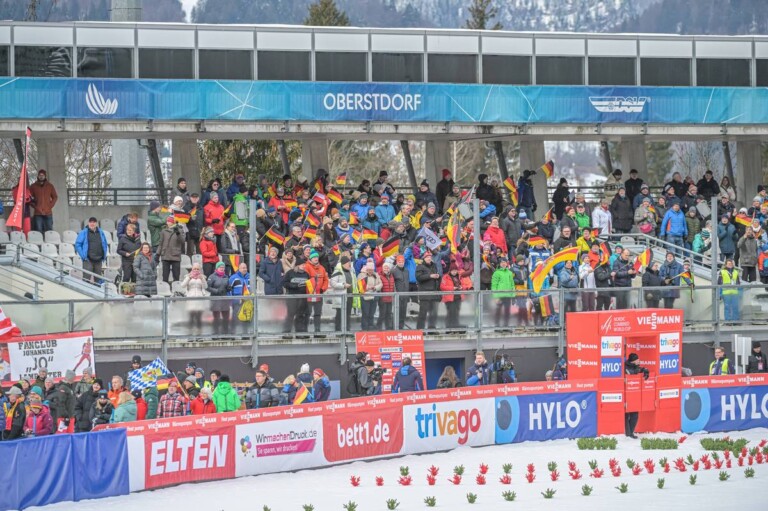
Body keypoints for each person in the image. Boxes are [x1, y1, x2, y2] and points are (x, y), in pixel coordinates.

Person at [75, 217, 109, 283]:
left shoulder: (101, 232)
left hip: (98, 259)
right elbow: (78, 244)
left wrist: (103, 255)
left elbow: (104, 243)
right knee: (86, 279)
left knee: (98, 280)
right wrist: (83, 256)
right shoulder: (84, 232)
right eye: (91, 222)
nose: (92, 224)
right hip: (88, 260)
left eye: (94, 222)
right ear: (88, 223)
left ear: (96, 223)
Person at [624, 353, 649, 438]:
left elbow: (638, 369)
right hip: (626, 394)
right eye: (637, 360)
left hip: (634, 395)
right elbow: (631, 372)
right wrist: (638, 370)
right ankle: (628, 434)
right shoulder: (626, 368)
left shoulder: (635, 367)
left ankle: (630, 433)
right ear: (633, 361)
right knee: (626, 415)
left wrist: (645, 370)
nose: (639, 361)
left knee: (635, 414)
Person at [283, 261, 310, 333]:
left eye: (304, 265)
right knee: (290, 314)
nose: (304, 266)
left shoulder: (306, 274)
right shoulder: (290, 273)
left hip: (303, 298)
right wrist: (295, 286)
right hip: (292, 297)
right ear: (297, 265)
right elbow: (285, 283)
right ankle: (287, 332)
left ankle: (299, 332)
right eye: (302, 265)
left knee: (300, 315)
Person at [305, 249, 329, 333]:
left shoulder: (322, 268)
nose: (316, 258)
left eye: (317, 257)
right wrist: (309, 289)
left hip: (319, 294)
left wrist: (323, 289)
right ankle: (305, 331)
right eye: (314, 257)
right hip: (309, 295)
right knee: (307, 313)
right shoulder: (306, 267)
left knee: (318, 313)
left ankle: (317, 330)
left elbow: (326, 280)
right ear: (310, 258)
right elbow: (305, 279)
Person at [180, 262, 208, 333]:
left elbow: (206, 286)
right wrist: (189, 278)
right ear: (192, 269)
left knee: (199, 318)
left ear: (200, 269)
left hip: (199, 298)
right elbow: (182, 285)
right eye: (194, 268)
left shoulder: (202, 276)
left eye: (197, 269)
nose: (196, 270)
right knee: (191, 317)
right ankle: (190, 334)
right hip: (190, 298)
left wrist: (202, 279)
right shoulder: (188, 276)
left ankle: (199, 334)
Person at [415, 251, 440, 330]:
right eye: (427, 257)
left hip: (433, 292)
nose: (429, 258)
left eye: (430, 257)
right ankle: (420, 330)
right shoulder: (420, 266)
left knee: (433, 314)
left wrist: (438, 276)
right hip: (424, 294)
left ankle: (432, 329)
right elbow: (419, 278)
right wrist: (430, 276)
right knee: (423, 313)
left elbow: (436, 278)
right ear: (424, 258)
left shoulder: (434, 265)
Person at [157, 216, 185, 284]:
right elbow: (161, 243)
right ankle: (165, 287)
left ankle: (176, 288)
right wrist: (158, 253)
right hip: (165, 255)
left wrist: (178, 233)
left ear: (173, 222)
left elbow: (182, 241)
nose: (168, 223)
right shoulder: (163, 231)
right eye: (167, 221)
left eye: (169, 221)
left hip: (175, 255)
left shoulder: (180, 230)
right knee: (165, 276)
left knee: (176, 276)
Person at [29, 169, 58, 233]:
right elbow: (29, 198)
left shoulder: (50, 186)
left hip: (48, 213)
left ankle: (49, 240)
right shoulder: (33, 186)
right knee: (38, 231)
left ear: (45, 176)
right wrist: (35, 207)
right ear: (38, 176)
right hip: (38, 213)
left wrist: (50, 206)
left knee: (49, 231)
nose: (41, 177)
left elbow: (55, 197)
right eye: (40, 175)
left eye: (42, 175)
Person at [358, 260, 383, 331]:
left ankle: (370, 327)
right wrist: (368, 287)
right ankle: (364, 328)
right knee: (365, 314)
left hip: (374, 297)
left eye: (372, 270)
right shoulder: (361, 275)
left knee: (372, 314)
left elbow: (380, 284)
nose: (370, 271)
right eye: (369, 270)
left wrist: (375, 287)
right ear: (366, 269)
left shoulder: (376, 275)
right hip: (365, 297)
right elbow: (360, 285)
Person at [207, 262, 231, 334]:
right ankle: (215, 333)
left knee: (226, 317)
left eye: (223, 267)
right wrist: (216, 291)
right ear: (217, 268)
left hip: (224, 299)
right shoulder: (212, 276)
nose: (222, 268)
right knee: (216, 317)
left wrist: (229, 288)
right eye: (220, 267)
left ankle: (225, 333)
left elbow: (227, 286)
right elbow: (207, 287)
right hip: (215, 299)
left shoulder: (226, 277)